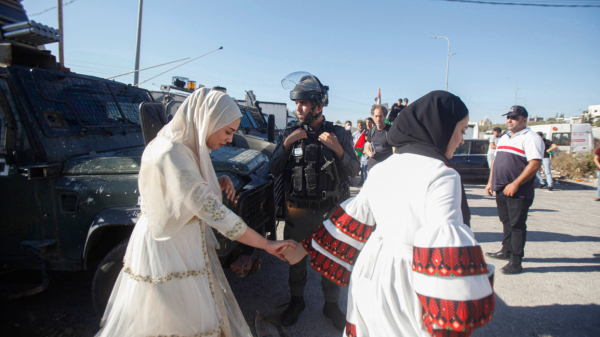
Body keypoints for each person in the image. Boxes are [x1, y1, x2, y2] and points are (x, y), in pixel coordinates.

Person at [97, 88, 295, 337]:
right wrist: (266, 244)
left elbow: (186, 186)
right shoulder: (172, 154)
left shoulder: (178, 147)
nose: (231, 139)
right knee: (175, 322)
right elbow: (217, 214)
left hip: (181, 244)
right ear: (207, 120)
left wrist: (218, 179)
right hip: (170, 252)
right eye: (228, 131)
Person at [302, 91, 494, 336]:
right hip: (408, 278)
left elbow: (355, 217)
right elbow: (444, 245)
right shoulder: (442, 174)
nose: (461, 140)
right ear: (441, 129)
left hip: (370, 271)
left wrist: (301, 248)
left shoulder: (384, 168)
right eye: (461, 130)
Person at [269, 73, 360, 330]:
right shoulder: (289, 133)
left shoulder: (339, 134)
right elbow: (273, 169)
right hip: (297, 214)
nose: (298, 108)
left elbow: (354, 171)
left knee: (331, 263)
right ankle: (296, 302)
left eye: (304, 103)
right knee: (296, 263)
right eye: (296, 103)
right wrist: (286, 145)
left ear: (318, 106)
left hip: (329, 214)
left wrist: (338, 150)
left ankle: (331, 305)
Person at [485, 105, 543, 275]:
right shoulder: (504, 137)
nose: (509, 120)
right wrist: (490, 182)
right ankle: (506, 251)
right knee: (506, 221)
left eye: (514, 117)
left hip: (518, 190)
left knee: (517, 225)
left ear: (524, 120)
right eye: (508, 117)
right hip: (501, 187)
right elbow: (496, 161)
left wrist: (516, 183)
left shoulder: (531, 138)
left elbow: (534, 164)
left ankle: (516, 262)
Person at [363, 105, 393, 172]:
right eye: (376, 116)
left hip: (386, 169)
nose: (378, 119)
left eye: (380, 116)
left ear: (385, 117)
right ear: (373, 117)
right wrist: (370, 153)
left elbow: (395, 150)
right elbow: (367, 147)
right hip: (372, 169)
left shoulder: (391, 130)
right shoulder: (372, 130)